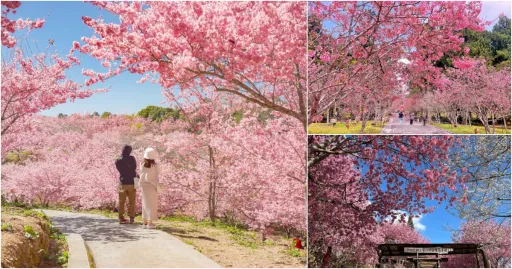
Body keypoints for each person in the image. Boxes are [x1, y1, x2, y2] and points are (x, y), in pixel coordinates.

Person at [115, 145, 138, 224]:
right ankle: (131, 218)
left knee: (121, 201)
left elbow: (119, 170)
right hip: (131, 183)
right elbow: (134, 168)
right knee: (132, 201)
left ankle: (121, 218)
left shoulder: (118, 160)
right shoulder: (132, 158)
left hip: (122, 183)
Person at [139, 148, 161, 229]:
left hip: (143, 186)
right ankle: (150, 223)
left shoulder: (141, 164)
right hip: (152, 185)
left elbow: (141, 173)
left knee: (144, 203)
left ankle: (144, 223)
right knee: (151, 204)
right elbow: (158, 173)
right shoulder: (155, 165)